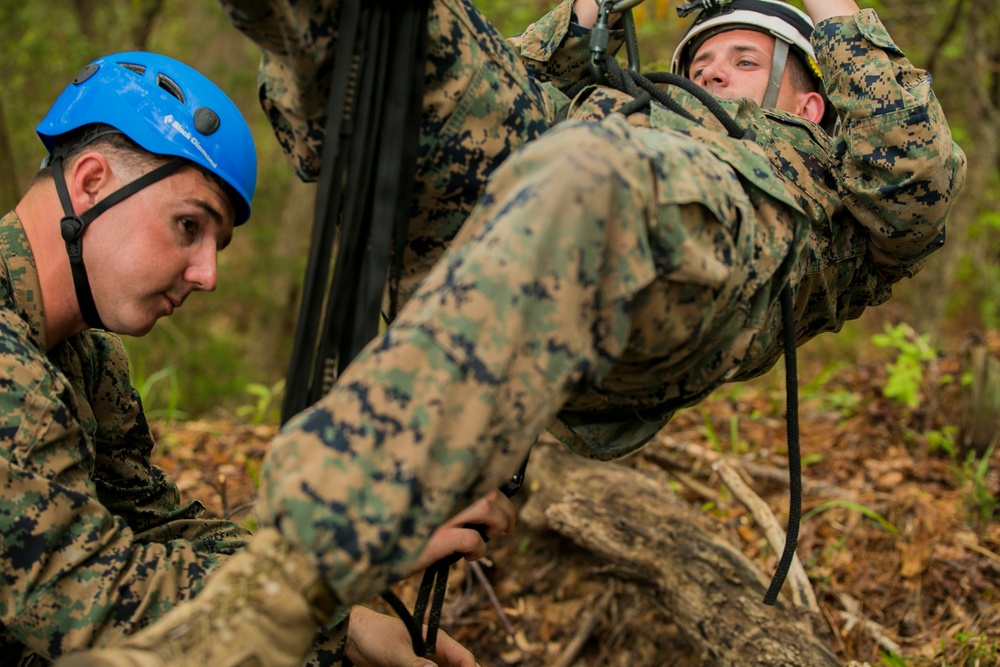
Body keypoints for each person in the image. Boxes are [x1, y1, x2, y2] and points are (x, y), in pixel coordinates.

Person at [56, 0, 967, 664]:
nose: (712, 72)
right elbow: (499, 83)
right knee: (398, 41)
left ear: (808, 103)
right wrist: (586, 17)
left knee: (589, 168)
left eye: (741, 58)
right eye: (701, 61)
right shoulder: (628, 112)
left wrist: (834, 14)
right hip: (544, 195)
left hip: (689, 259)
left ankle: (289, 577)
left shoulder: (836, 185)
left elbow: (919, 180)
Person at [0, 50, 515, 667]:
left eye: (217, 243)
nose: (208, 274)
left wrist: (347, 624)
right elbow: (90, 604)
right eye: (189, 225)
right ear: (91, 182)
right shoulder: (9, 364)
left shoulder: (84, 357)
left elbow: (156, 528)